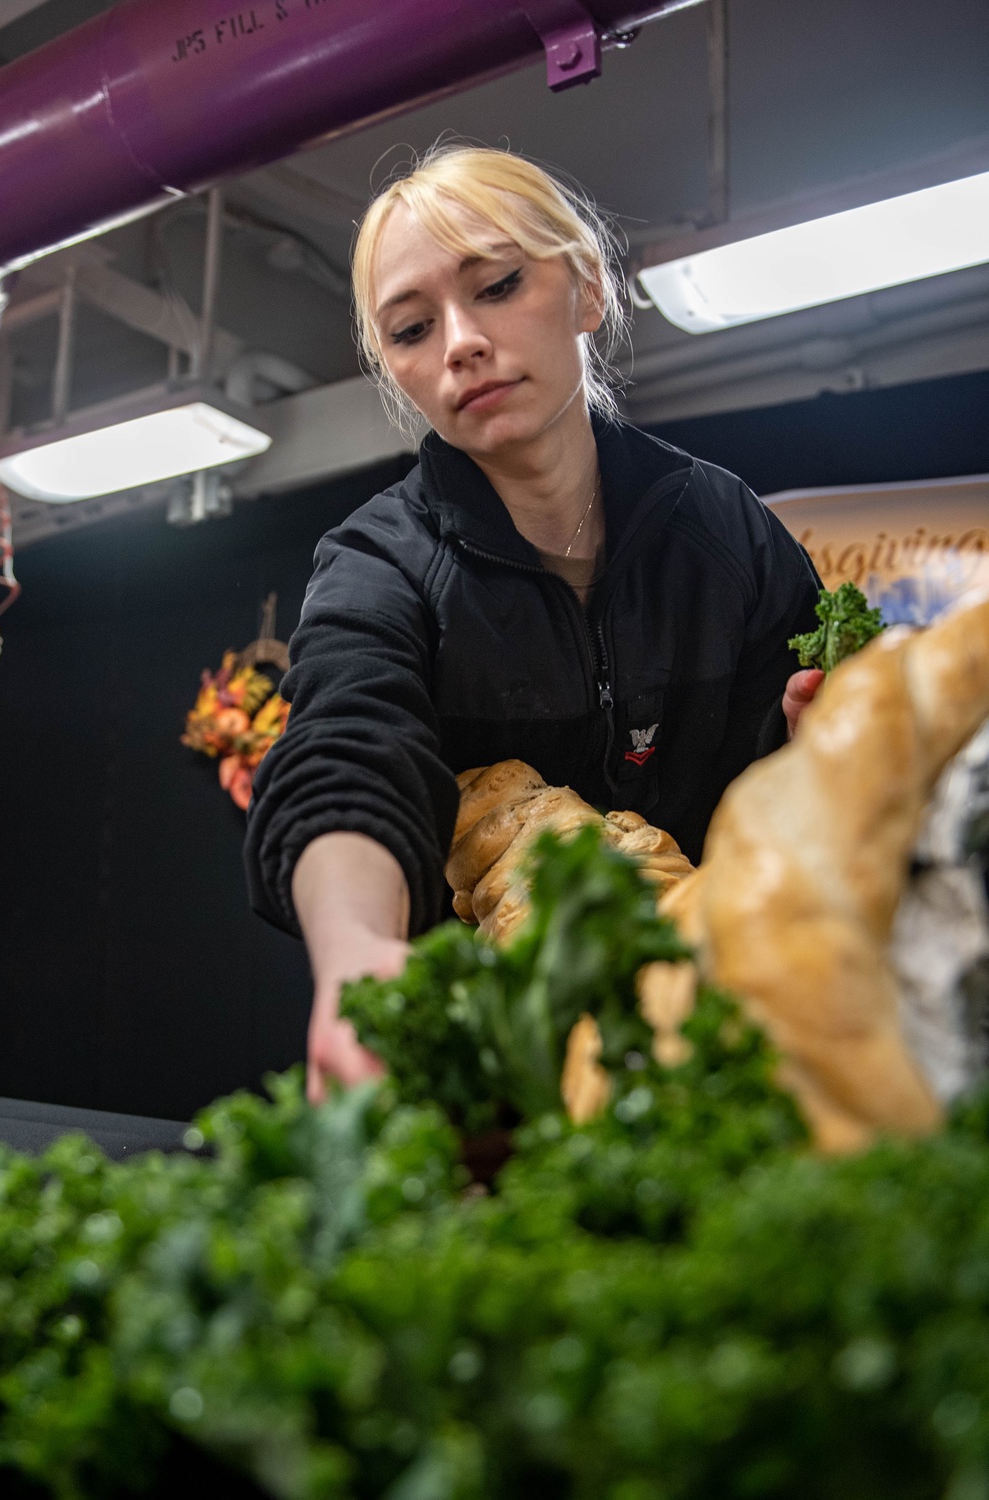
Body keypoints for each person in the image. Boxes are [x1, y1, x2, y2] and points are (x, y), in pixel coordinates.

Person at [245, 146, 823, 1102]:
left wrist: (818, 746)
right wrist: (356, 960)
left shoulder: (724, 530)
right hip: (485, 1069)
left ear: (589, 288)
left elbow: (795, 793)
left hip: (725, 1043)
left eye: (499, 285)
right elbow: (346, 755)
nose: (461, 342)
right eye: (413, 328)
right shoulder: (375, 561)